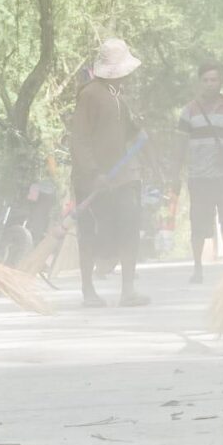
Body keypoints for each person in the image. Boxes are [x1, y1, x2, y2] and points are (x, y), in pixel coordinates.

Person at [69, 38, 150, 308]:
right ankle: (87, 290)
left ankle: (128, 290)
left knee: (129, 226)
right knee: (89, 233)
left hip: (120, 178)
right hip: (91, 179)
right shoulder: (90, 94)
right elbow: (78, 138)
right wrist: (93, 172)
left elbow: (126, 130)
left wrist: (139, 133)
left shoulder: (119, 96)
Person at [171, 60, 223, 284]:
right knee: (198, 226)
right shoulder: (189, 111)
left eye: (214, 80)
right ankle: (197, 267)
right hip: (199, 178)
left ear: (221, 81)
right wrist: (174, 176)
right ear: (200, 82)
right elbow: (179, 145)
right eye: (205, 80)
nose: (209, 84)